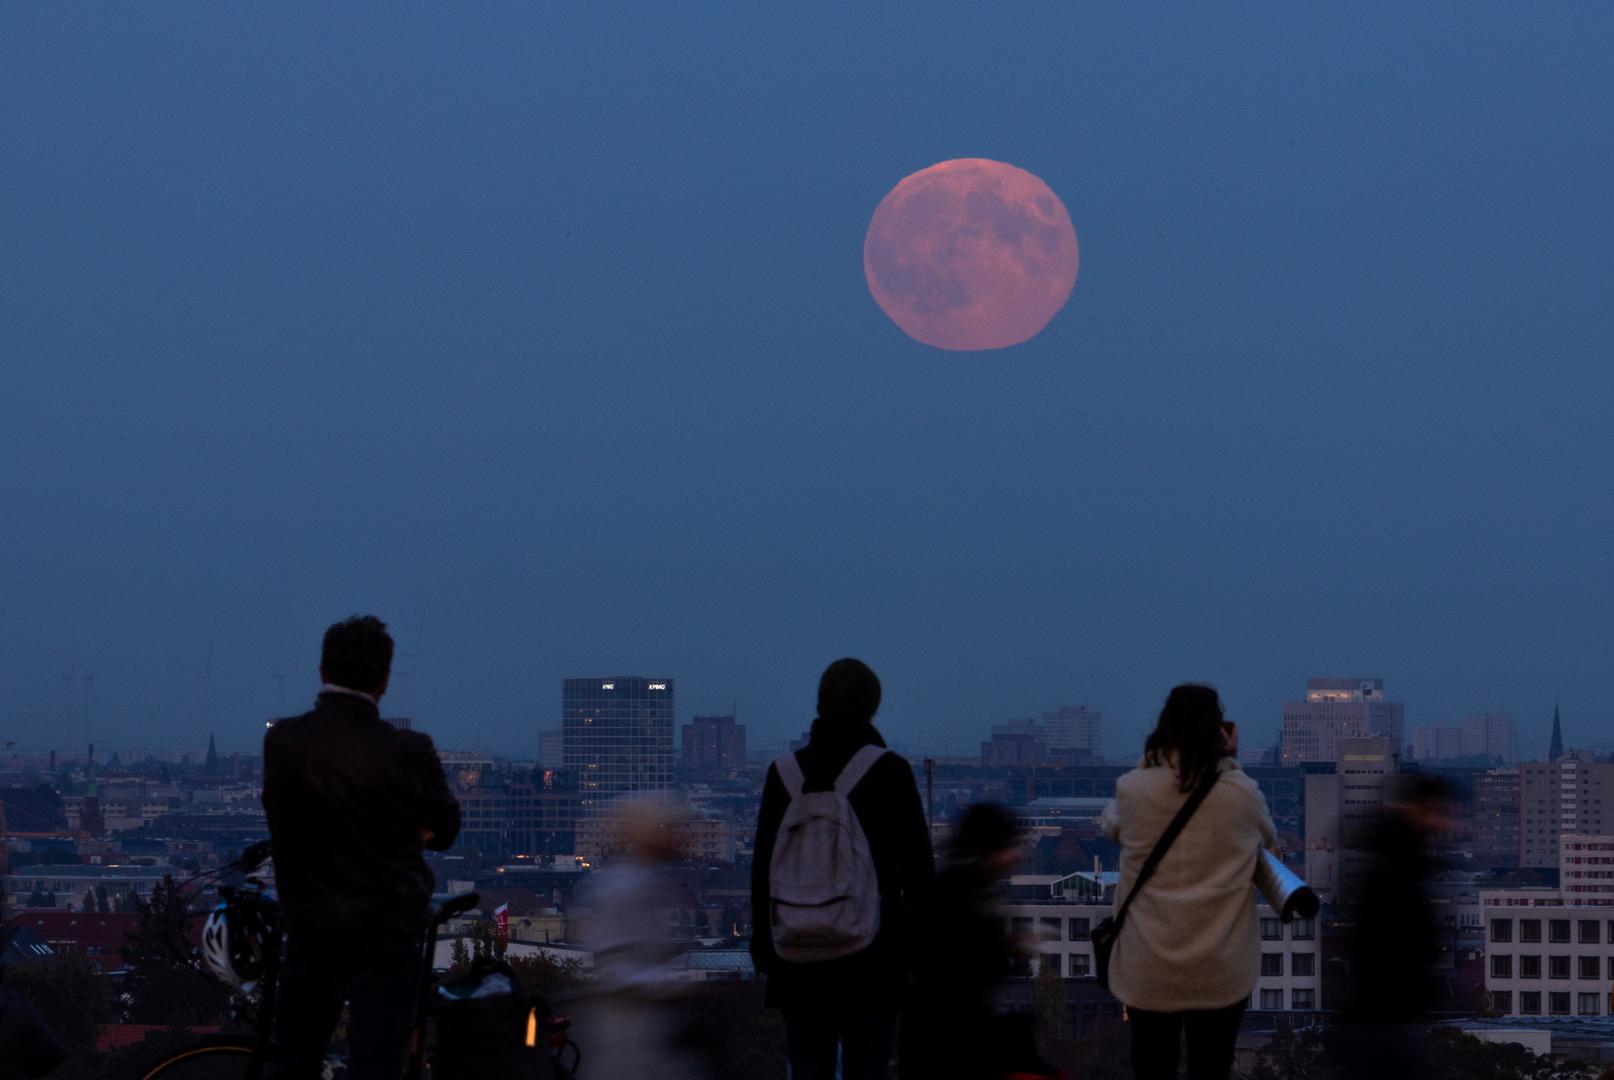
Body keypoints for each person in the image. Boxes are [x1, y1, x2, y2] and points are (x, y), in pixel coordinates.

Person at [260, 614, 461, 1079]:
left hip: (310, 923)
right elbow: (447, 827)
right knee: (378, 1065)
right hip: (388, 930)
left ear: (322, 671)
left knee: (291, 1060)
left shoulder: (284, 741)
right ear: (385, 680)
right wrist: (405, 833)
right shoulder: (407, 749)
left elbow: (283, 817)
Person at [751, 658, 934, 1080]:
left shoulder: (783, 773)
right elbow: (918, 873)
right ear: (873, 706)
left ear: (820, 704)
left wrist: (764, 944)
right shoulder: (890, 771)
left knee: (808, 1065)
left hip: (795, 952)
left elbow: (763, 867)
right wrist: (920, 953)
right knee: (867, 1066)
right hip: (872, 956)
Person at [1099, 684, 1276, 1080]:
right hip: (1219, 965)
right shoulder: (1239, 793)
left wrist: (1150, 764)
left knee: (1152, 1067)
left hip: (1149, 963)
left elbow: (1112, 824)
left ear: (1163, 729)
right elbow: (1267, 837)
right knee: (1212, 1067)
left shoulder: (1134, 789)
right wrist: (1230, 763)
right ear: (1219, 731)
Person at [902, 802, 1054, 1080]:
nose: (1016, 855)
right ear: (991, 846)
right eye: (1009, 845)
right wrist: (1010, 949)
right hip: (952, 1040)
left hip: (937, 1037)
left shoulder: (954, 887)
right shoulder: (967, 893)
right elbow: (967, 965)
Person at [1332, 774, 1453, 1079]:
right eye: (1437, 812)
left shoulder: (1397, 861)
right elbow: (1386, 948)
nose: (1445, 824)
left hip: (1388, 1018)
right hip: (1389, 1020)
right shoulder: (1396, 870)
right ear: (1417, 809)